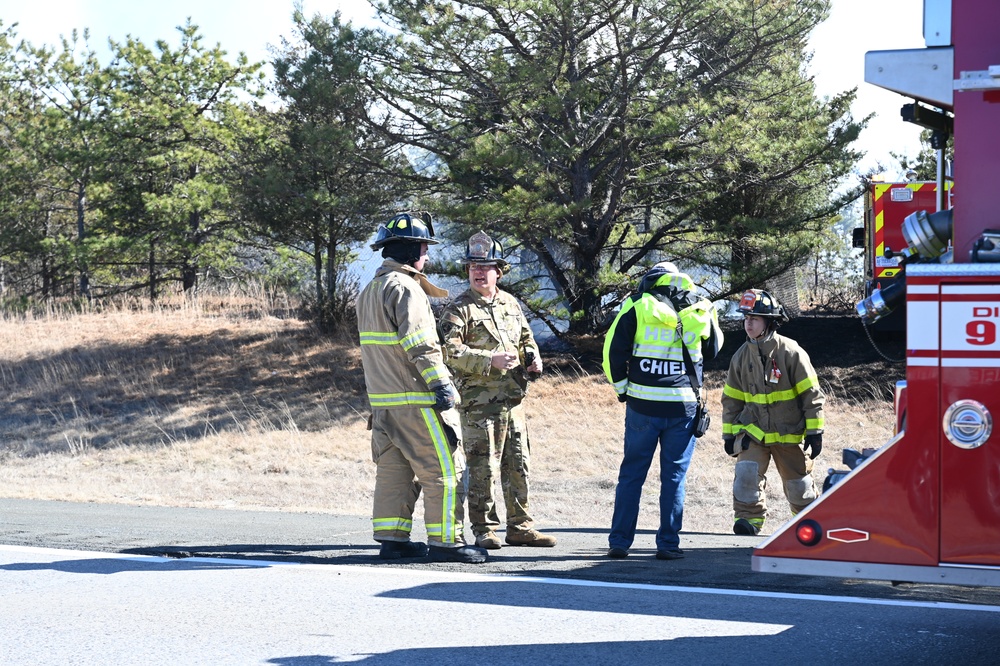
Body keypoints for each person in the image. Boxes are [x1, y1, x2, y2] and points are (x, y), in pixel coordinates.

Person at [356, 212, 487, 564]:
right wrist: (441, 385)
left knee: (394, 472)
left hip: (384, 406)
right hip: (416, 401)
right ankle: (447, 542)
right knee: (445, 471)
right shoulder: (405, 288)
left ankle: (392, 540)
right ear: (413, 249)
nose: (427, 255)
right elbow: (421, 345)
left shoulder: (370, 289)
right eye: (424, 247)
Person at [438, 231, 556, 550]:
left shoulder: (510, 303)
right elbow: (448, 351)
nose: (478, 271)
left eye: (486, 266)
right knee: (483, 469)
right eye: (473, 266)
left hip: (512, 402)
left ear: (498, 272)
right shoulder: (458, 309)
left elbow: (526, 339)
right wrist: (489, 360)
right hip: (479, 406)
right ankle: (484, 528)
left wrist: (533, 358)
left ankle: (520, 526)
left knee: (518, 466)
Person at [602, 261, 723, 560]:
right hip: (682, 408)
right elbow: (714, 350)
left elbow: (611, 353)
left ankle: (620, 541)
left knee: (632, 474)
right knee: (674, 478)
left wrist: (622, 391)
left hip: (642, 405)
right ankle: (668, 545)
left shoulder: (637, 305)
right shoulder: (702, 308)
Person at [721, 289, 825, 536]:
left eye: (754, 318)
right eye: (746, 318)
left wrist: (815, 431)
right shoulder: (740, 357)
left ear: (769, 322)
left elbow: (812, 395)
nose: (748, 323)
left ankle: (807, 522)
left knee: (799, 486)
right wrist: (728, 434)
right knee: (746, 475)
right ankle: (749, 520)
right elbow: (732, 399)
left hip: (788, 433)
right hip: (753, 433)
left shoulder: (791, 352)